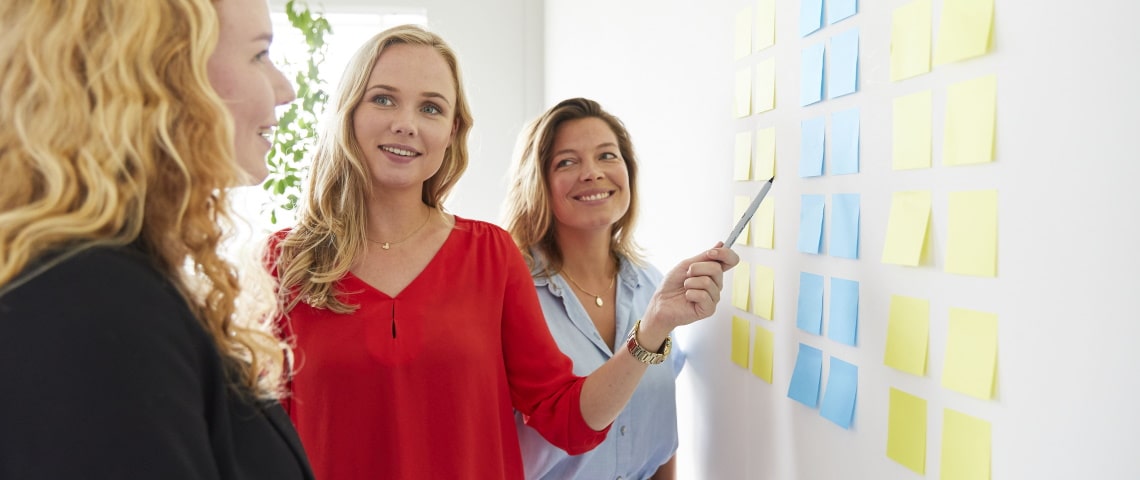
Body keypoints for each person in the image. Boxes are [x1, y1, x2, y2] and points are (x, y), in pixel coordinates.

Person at [268, 25, 738, 480]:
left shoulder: (491, 254)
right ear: (348, 111)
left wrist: (654, 325)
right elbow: (258, 439)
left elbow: (566, 419)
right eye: (383, 98)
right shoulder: (284, 261)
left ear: (452, 131)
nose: (405, 124)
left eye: (430, 108)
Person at [0, 0, 308, 478]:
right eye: (258, 55)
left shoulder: (103, 280)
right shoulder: (95, 307)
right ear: (162, 78)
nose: (284, 90)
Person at [503, 97, 683, 479]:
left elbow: (661, 435)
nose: (593, 173)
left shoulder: (654, 286)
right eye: (567, 162)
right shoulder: (511, 293)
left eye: (607, 156)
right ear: (538, 181)